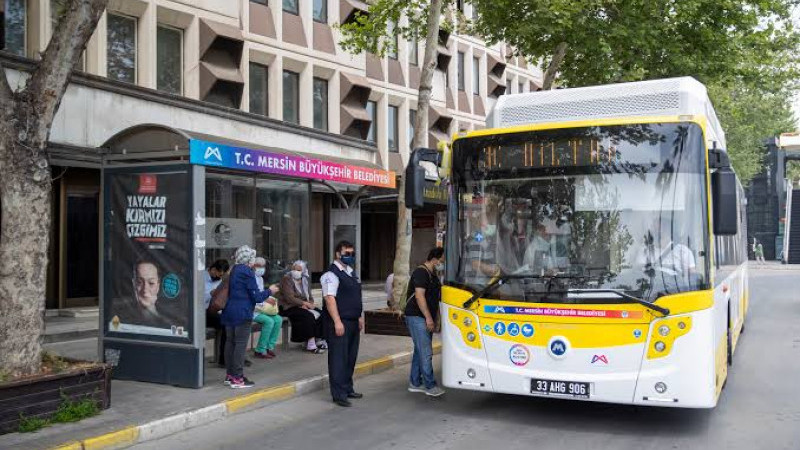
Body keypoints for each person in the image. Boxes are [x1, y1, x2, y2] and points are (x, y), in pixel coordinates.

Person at [221, 246, 277, 389]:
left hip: (230, 311)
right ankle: (238, 378)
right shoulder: (247, 272)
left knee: (230, 343)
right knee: (240, 344)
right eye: (253, 257)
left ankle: (230, 375)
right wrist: (270, 290)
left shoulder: (234, 269)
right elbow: (257, 297)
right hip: (242, 312)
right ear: (249, 259)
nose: (254, 260)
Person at [321, 240, 364, 407]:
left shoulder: (351, 272)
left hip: (353, 321)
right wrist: (337, 321)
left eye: (352, 254)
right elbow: (330, 299)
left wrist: (359, 317)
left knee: (350, 358)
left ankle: (347, 388)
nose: (350, 257)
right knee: (338, 359)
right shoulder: (330, 275)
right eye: (347, 253)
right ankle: (338, 394)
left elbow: (355, 297)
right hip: (340, 322)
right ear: (338, 254)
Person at [404, 247, 446, 397]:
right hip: (417, 317)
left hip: (423, 317)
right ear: (434, 258)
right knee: (426, 352)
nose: (443, 263)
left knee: (419, 351)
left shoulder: (433, 274)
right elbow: (419, 296)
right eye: (442, 260)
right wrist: (428, 317)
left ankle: (415, 382)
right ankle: (430, 385)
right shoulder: (421, 272)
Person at [279, 260, 327, 354]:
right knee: (307, 316)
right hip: (289, 307)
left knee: (321, 313)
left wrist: (310, 304)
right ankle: (310, 344)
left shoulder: (305, 279)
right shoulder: (287, 279)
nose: (296, 271)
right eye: (294, 269)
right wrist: (303, 304)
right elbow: (289, 298)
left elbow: (310, 296)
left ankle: (318, 339)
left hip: (302, 305)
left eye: (299, 270)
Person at [252, 257, 283, 359]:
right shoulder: (250, 278)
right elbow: (254, 296)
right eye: (259, 266)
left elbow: (262, 294)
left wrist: (269, 298)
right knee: (269, 321)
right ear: (254, 266)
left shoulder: (260, 279)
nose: (261, 268)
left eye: (263, 266)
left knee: (278, 319)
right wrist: (265, 300)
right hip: (253, 310)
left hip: (262, 309)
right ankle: (260, 349)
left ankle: (269, 347)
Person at [204, 259, 230, 366]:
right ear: (213, 269)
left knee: (231, 321)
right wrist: (210, 294)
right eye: (219, 274)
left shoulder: (219, 280)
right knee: (224, 323)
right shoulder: (200, 278)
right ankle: (223, 359)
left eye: (222, 275)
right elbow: (196, 300)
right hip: (202, 312)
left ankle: (229, 357)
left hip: (216, 310)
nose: (219, 277)